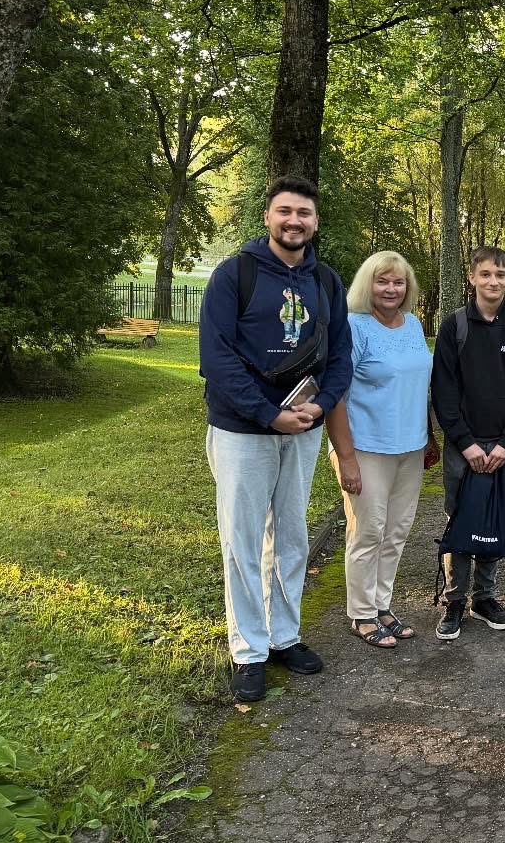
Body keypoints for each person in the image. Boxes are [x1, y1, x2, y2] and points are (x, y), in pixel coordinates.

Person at [199, 176, 352, 703]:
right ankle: (248, 651)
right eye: (285, 211)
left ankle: (284, 636)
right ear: (268, 217)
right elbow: (216, 359)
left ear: (315, 222)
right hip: (243, 430)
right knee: (242, 540)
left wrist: (320, 405)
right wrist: (269, 414)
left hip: (303, 429)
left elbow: (340, 357)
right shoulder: (234, 275)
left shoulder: (326, 281)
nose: (294, 220)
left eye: (304, 213)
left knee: (290, 535)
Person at [325, 251, 438, 649]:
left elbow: (417, 386)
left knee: (396, 531)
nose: (391, 289)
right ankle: (361, 614)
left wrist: (428, 436)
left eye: (398, 282)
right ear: (367, 284)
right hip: (365, 448)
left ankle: (381, 604)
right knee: (368, 530)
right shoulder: (353, 327)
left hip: (410, 447)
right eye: (382, 281)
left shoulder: (413, 324)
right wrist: (346, 457)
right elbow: (335, 395)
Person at [430, 246, 505, 640]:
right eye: (486, 274)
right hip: (463, 447)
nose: (493, 281)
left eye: (501, 274)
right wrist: (465, 442)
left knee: (492, 515)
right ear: (472, 278)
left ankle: (484, 597)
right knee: (460, 516)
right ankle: (454, 600)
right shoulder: (455, 326)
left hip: (504, 447)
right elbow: (443, 390)